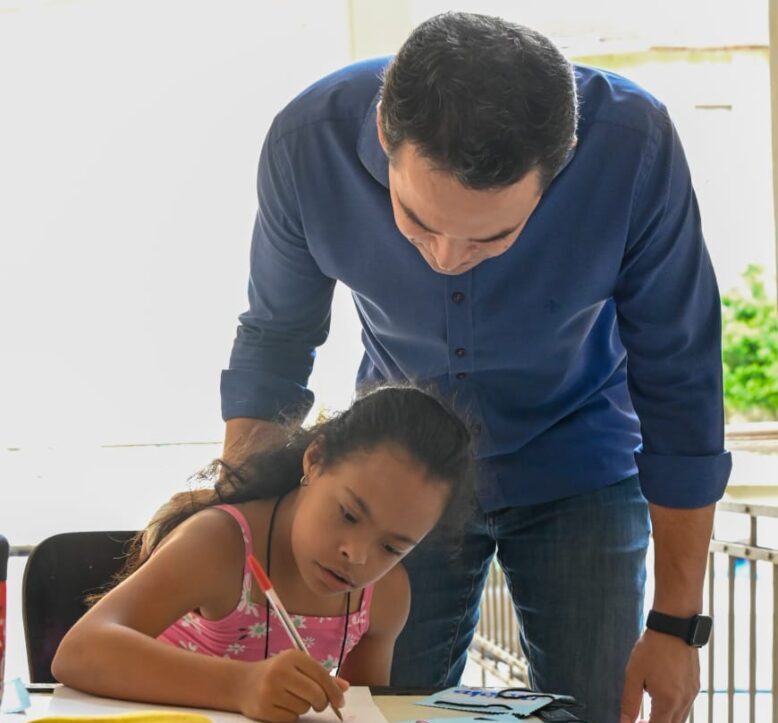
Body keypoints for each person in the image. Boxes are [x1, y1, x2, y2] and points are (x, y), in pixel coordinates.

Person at [221, 12, 732, 723]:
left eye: (492, 235)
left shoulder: (634, 149)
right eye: (417, 220)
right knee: (375, 712)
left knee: (594, 711)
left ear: (563, 162)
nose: (446, 258)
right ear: (382, 134)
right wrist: (236, 529)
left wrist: (678, 625)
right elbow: (275, 346)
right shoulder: (309, 144)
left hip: (581, 464)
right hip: (397, 482)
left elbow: (682, 381)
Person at [52, 386, 476, 723]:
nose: (358, 555)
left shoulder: (384, 596)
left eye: (392, 547)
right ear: (316, 459)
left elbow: (356, 711)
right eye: (348, 514)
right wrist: (240, 686)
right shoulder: (220, 544)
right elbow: (79, 653)